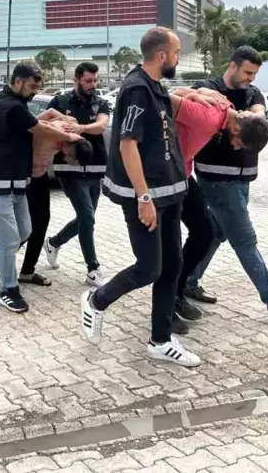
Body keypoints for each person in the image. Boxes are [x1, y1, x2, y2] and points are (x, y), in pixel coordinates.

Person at [78, 28, 200, 367]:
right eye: (176, 53)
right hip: (147, 197)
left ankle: (160, 340)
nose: (177, 58)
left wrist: (197, 96)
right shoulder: (136, 90)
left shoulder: (154, 86)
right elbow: (126, 144)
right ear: (162, 56)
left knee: (171, 266)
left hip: (170, 191)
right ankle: (96, 301)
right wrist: (143, 198)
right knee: (149, 268)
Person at [178, 45, 268, 320]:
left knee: (215, 232)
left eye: (255, 74)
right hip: (216, 180)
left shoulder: (253, 93)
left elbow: (258, 115)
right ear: (233, 66)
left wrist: (253, 116)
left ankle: (187, 281)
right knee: (244, 239)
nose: (251, 78)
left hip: (243, 180)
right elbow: (186, 102)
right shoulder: (208, 87)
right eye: (248, 72)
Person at [0, 64, 81, 313]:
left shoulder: (8, 102)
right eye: (32, 87)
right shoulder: (9, 106)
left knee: (24, 231)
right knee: (10, 239)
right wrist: (71, 136)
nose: (34, 92)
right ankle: (8, 289)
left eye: (37, 88)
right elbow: (39, 128)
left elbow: (34, 122)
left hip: (16, 181)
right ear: (18, 82)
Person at [43, 62, 111, 287]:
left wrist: (80, 128)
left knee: (86, 219)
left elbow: (101, 125)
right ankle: (93, 268)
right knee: (88, 217)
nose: (92, 85)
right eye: (88, 81)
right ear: (76, 81)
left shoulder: (100, 102)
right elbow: (46, 124)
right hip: (67, 167)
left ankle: (53, 242)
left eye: (95, 80)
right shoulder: (60, 102)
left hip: (95, 167)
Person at [21, 111, 89, 287]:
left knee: (43, 221)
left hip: (40, 175)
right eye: (69, 156)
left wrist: (62, 119)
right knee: (29, 226)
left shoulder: (72, 130)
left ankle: (27, 271)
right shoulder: (48, 143)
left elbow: (57, 115)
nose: (66, 157)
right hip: (29, 177)